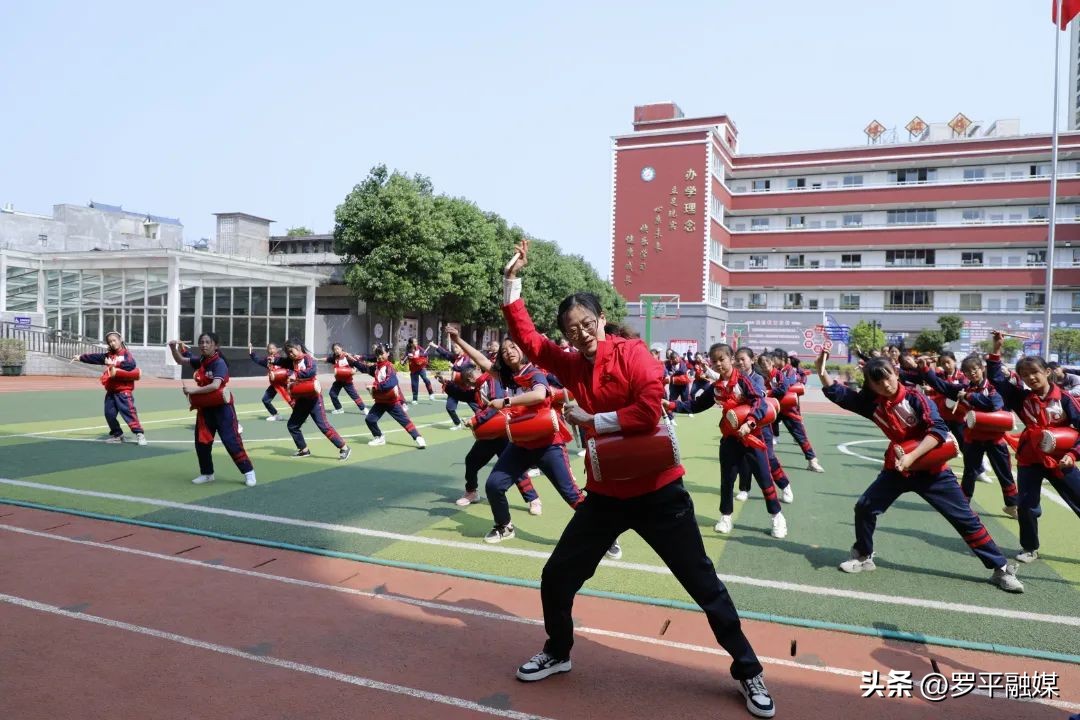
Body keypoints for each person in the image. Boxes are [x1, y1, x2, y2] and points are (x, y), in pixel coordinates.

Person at [501, 239, 775, 718]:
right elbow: (528, 341)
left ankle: (749, 669)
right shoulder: (569, 362)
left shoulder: (634, 354)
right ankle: (559, 650)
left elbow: (649, 410)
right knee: (557, 575)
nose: (582, 333)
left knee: (703, 585)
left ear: (601, 319)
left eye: (588, 323)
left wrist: (590, 419)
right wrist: (511, 283)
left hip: (659, 493)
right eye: (572, 328)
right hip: (606, 495)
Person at [816, 351, 1023, 593]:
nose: (885, 384)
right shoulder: (872, 404)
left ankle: (1000, 569)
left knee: (965, 519)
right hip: (898, 469)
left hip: (932, 469)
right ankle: (864, 556)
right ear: (870, 385)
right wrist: (821, 372)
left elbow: (938, 430)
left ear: (896, 373)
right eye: (877, 381)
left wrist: (912, 457)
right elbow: (842, 395)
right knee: (865, 507)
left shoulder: (916, 397)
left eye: (888, 377)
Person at [672, 344, 788, 539]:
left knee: (764, 479)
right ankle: (725, 516)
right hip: (730, 439)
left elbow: (759, 401)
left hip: (752, 438)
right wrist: (672, 405)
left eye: (722, 359)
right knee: (727, 480)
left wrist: (750, 423)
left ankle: (777, 516)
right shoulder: (716, 387)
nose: (718, 364)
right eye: (714, 361)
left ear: (731, 358)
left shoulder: (744, 380)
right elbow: (696, 405)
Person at [987, 332, 1080, 564]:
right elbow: (996, 379)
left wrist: (1073, 454)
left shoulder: (1066, 399)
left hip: (1061, 459)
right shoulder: (1021, 398)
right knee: (1026, 505)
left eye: (1035, 373)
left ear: (1047, 372)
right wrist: (996, 350)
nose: (1030, 378)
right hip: (1030, 458)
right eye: (1025, 375)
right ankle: (1029, 547)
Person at [446, 334, 542, 514]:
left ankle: (533, 499)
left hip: (503, 430)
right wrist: (447, 386)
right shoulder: (480, 384)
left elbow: (496, 405)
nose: (469, 380)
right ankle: (472, 492)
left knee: (515, 469)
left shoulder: (492, 380)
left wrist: (476, 420)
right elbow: (467, 396)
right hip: (489, 433)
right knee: (472, 461)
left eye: (469, 377)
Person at [920, 354, 1018, 518]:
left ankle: (1012, 504)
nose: (972, 373)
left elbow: (994, 404)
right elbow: (941, 385)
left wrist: (969, 397)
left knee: (1004, 473)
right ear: (964, 374)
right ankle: (963, 504)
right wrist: (924, 368)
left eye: (975, 369)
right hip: (973, 438)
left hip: (995, 438)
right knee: (970, 472)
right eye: (968, 371)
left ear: (981, 369)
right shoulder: (963, 389)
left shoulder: (992, 387)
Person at [169, 334, 256, 487]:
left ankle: (249, 472)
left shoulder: (219, 363)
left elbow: (216, 386)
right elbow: (180, 360)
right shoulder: (201, 360)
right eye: (201, 342)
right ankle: (207, 473)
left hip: (223, 408)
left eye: (208, 342)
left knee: (231, 441)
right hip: (205, 409)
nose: (204, 345)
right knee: (202, 443)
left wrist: (193, 391)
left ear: (215, 346)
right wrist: (172, 348)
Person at [273, 338, 351, 460]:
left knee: (323, 426)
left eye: (291, 351)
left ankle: (344, 447)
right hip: (301, 400)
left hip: (314, 398)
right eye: (288, 353)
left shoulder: (307, 358)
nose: (290, 354)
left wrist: (296, 374)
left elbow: (312, 370)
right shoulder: (292, 361)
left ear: (298, 347)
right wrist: (271, 359)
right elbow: (281, 361)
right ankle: (304, 450)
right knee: (292, 425)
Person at [733, 348, 793, 505]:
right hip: (741, 425)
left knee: (769, 458)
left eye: (743, 359)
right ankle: (744, 489)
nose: (739, 362)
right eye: (737, 359)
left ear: (752, 360)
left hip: (760, 424)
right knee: (744, 459)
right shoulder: (734, 378)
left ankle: (785, 485)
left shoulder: (758, 378)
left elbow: (759, 395)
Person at [72, 331, 146, 445]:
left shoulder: (125, 354)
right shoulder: (109, 355)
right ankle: (118, 435)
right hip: (111, 391)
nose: (112, 343)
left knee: (129, 413)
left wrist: (114, 364)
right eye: (110, 341)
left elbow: (131, 365)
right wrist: (80, 357)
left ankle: (139, 434)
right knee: (109, 414)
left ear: (120, 340)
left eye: (114, 340)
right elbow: (95, 358)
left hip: (123, 391)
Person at [768, 349, 823, 473]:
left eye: (773, 359)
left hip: (789, 409)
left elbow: (785, 387)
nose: (772, 361)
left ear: (781, 359)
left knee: (800, 436)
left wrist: (770, 392)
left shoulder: (790, 371)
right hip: (776, 407)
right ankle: (767, 460)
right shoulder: (773, 371)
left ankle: (812, 461)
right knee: (765, 432)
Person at [364, 344, 426, 449]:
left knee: (405, 421)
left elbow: (391, 383)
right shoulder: (377, 367)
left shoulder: (389, 367)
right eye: (377, 354)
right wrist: (353, 361)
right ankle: (379, 437)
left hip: (391, 402)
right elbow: (364, 368)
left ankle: (418, 438)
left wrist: (375, 387)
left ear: (387, 354)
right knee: (370, 419)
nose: (379, 356)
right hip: (380, 401)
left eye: (381, 353)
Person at [430, 338, 478, 429]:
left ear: (462, 348)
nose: (454, 349)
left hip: (466, 389)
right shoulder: (456, 358)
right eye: (453, 347)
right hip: (455, 388)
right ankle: (457, 424)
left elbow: (464, 368)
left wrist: (454, 367)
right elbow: (445, 354)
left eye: (456, 347)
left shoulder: (467, 359)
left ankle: (485, 421)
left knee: (476, 408)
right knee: (450, 408)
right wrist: (435, 346)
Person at [249, 342, 293, 421]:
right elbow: (258, 360)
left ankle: (300, 415)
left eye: (273, 348)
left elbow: (290, 368)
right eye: (269, 348)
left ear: (276, 349)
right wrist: (251, 352)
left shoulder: (281, 359)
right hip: (275, 384)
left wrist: (289, 375)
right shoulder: (268, 360)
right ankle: (276, 415)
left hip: (284, 383)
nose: (271, 350)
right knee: (265, 400)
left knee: (290, 400)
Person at [324, 343, 369, 416]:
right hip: (338, 381)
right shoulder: (335, 357)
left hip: (347, 381)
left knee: (354, 396)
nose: (336, 350)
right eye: (334, 349)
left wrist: (355, 370)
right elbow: (327, 359)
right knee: (332, 394)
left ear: (341, 348)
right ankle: (339, 409)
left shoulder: (347, 357)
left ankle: (364, 409)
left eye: (337, 349)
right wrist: (316, 359)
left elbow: (356, 364)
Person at [404, 337, 436, 405]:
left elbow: (425, 353)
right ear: (411, 343)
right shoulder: (408, 351)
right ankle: (415, 399)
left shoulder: (419, 348)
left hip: (421, 368)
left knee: (425, 379)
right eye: (414, 342)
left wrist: (419, 355)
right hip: (413, 369)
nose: (416, 343)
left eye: (416, 341)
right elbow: (404, 358)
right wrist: (403, 361)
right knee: (414, 384)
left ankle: (431, 393)